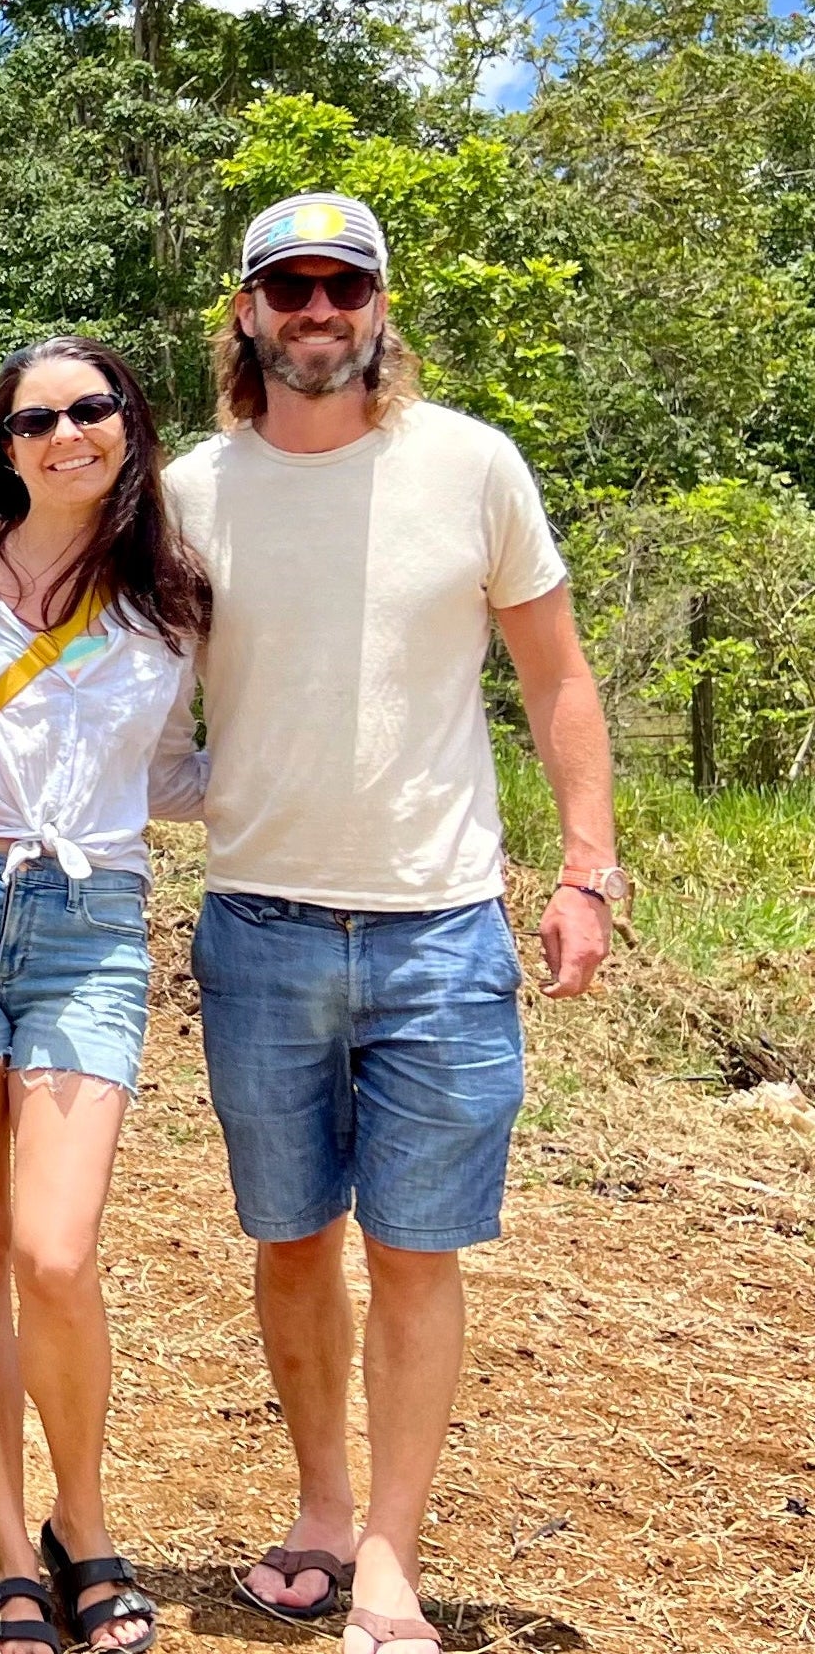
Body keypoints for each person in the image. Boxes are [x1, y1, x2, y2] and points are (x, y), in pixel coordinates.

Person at [168, 195, 614, 1654]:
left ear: (379, 306)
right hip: (260, 926)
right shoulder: (186, 495)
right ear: (246, 311)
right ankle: (320, 1507)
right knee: (294, 1240)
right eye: (288, 286)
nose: (317, 309)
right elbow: (107, 682)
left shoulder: (472, 467)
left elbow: (556, 676)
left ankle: (389, 1559)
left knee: (418, 1254)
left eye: (342, 286)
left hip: (440, 930)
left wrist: (586, 869)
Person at [0, 336, 208, 1654]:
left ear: (131, 424)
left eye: (92, 409)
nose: (67, 435)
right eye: (36, 420)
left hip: (87, 922)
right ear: (3, 447)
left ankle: (86, 1522)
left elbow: (173, 770)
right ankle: (11, 1554)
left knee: (53, 1252)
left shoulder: (172, 599)